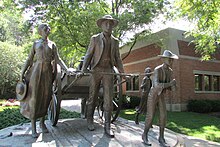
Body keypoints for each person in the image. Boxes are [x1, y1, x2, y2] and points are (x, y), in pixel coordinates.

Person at [20, 23, 70, 138]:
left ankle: (42, 123)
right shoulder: (35, 44)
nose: (48, 29)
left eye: (48, 28)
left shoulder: (53, 44)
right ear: (40, 31)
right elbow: (29, 59)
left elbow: (58, 59)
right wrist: (22, 72)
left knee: (46, 97)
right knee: (35, 97)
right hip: (36, 72)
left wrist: (66, 69)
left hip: (48, 72)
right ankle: (33, 126)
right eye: (45, 28)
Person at [81, 15, 124, 138]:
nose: (108, 26)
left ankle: (107, 126)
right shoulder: (95, 39)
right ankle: (89, 119)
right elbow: (89, 54)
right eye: (106, 23)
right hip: (96, 70)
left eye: (110, 24)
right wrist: (84, 69)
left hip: (109, 71)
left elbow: (118, 59)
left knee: (108, 98)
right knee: (93, 95)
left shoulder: (115, 41)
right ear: (101, 25)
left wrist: (122, 72)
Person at [142, 50, 178, 146]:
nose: (171, 61)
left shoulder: (170, 71)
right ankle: (144, 135)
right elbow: (157, 85)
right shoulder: (158, 69)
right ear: (164, 59)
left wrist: (173, 86)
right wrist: (170, 84)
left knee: (163, 116)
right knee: (150, 116)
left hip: (161, 95)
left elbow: (170, 87)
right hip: (153, 94)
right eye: (169, 59)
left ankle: (161, 137)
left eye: (172, 60)